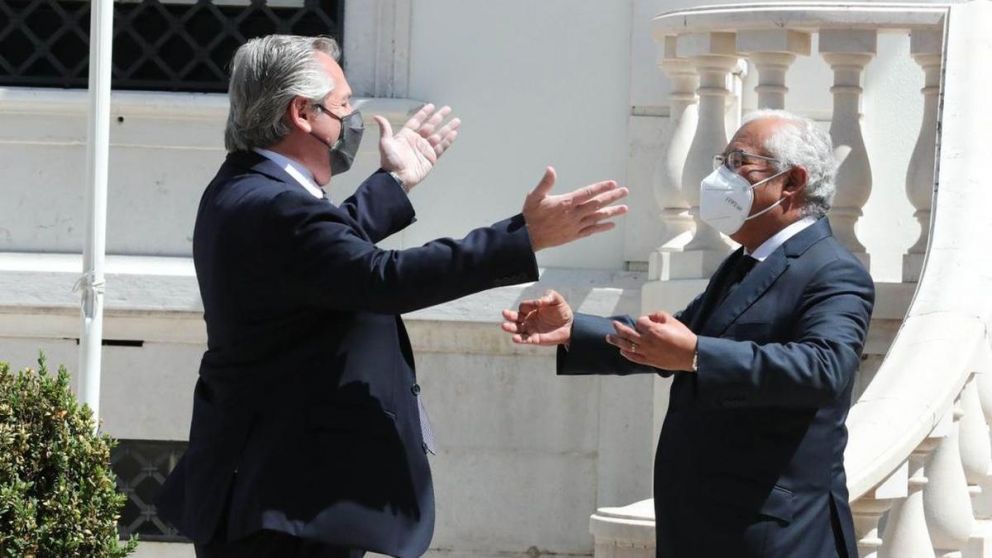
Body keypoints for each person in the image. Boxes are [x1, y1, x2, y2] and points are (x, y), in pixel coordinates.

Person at [157, 34, 629, 558]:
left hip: (277, 492)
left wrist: (394, 182)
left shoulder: (247, 187)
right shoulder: (277, 206)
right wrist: (524, 237)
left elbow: (325, 259)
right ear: (301, 113)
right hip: (284, 504)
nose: (351, 119)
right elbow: (380, 278)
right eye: (342, 105)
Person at [501, 110, 874, 558]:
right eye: (723, 161)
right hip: (704, 525)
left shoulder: (832, 270)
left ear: (791, 182)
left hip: (774, 536)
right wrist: (573, 330)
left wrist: (697, 355)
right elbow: (670, 337)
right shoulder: (744, 262)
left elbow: (825, 368)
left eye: (739, 162)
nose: (721, 177)